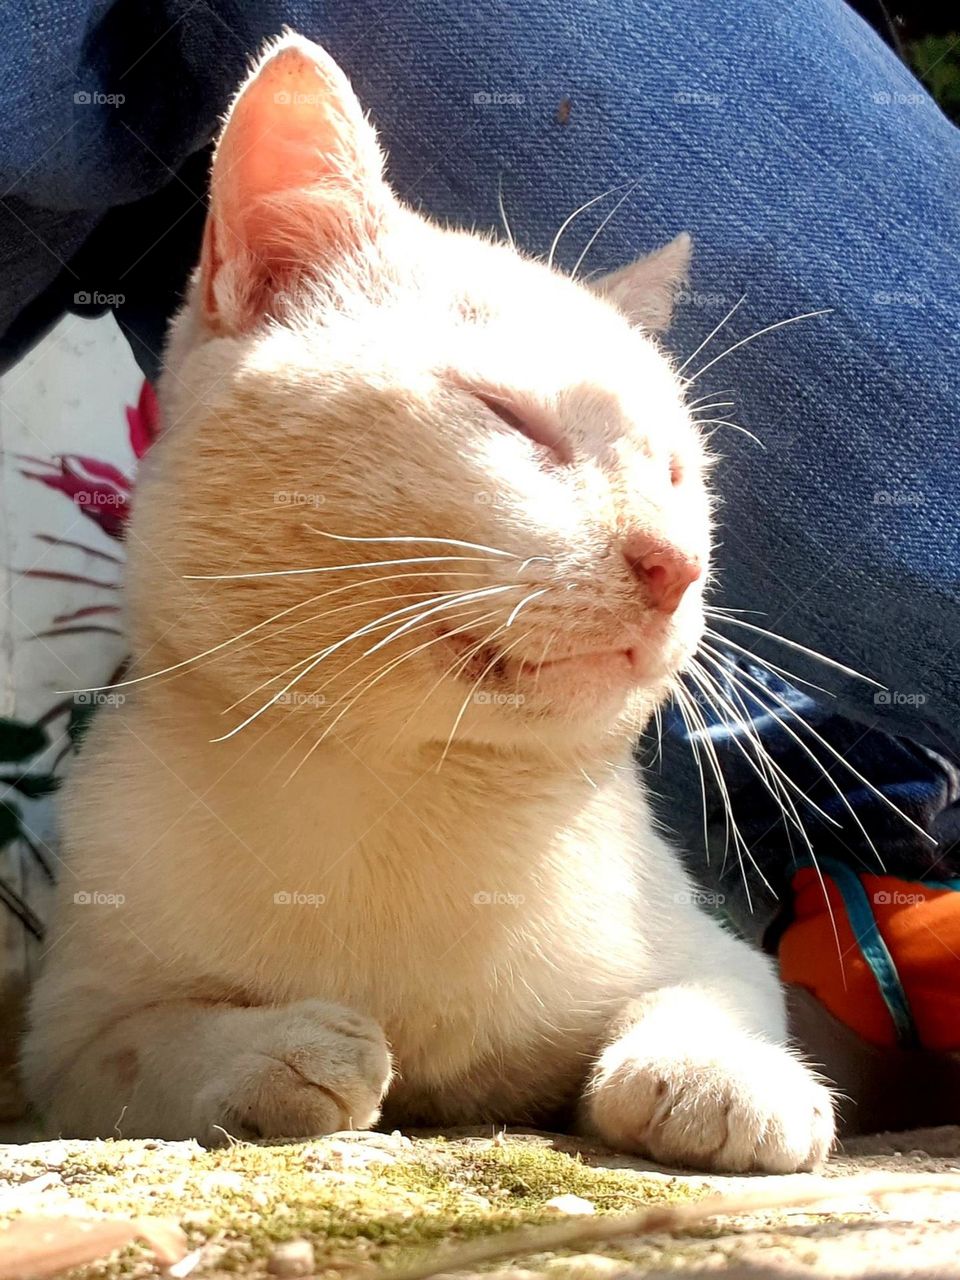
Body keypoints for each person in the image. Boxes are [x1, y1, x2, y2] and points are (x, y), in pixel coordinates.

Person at [2, 0, 958, 1128]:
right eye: (516, 423)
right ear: (267, 280)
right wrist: (200, 1054)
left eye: (676, 475)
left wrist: (686, 1035)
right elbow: (81, 1050)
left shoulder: (595, 896)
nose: (667, 554)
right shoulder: (140, 837)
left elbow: (708, 977)